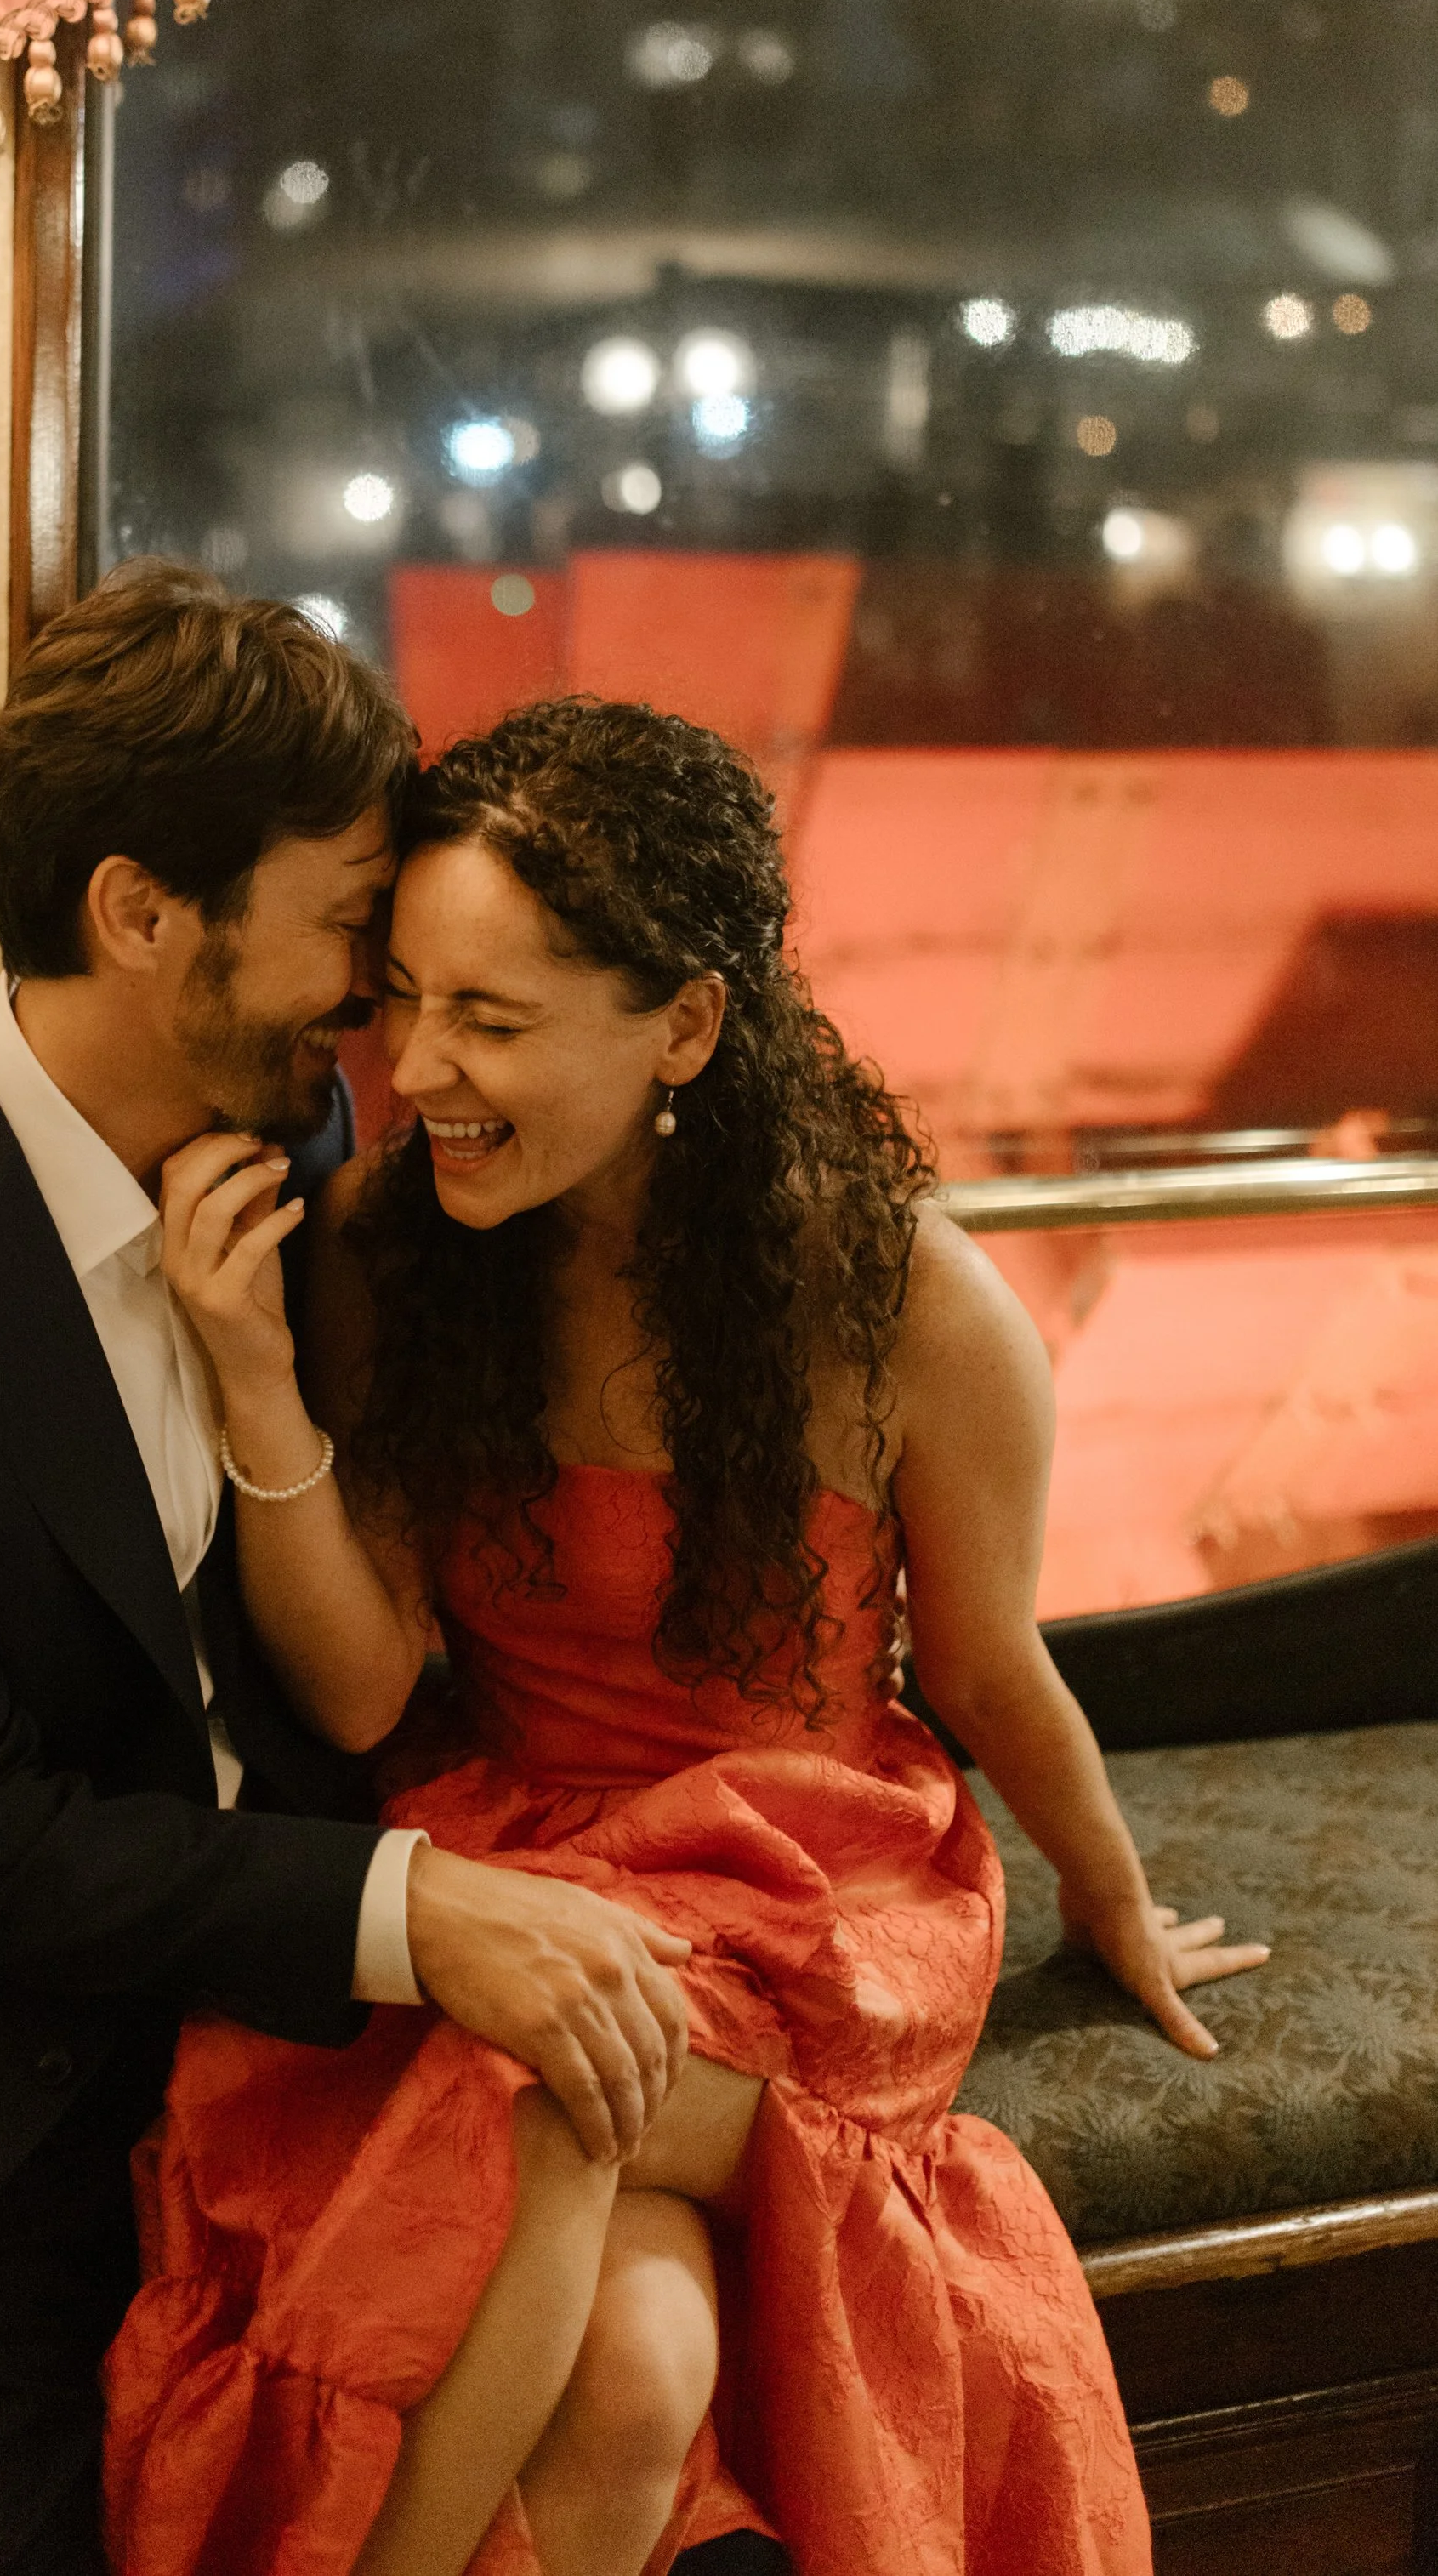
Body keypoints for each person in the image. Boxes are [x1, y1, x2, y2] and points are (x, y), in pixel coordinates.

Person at [0, 571, 695, 2576]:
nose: (380, 1004)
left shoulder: (340, 1173)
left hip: (274, 2050)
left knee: (645, 2384)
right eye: (348, 925)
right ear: (142, 915)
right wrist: (408, 1910)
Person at [108, 694, 1272, 2576]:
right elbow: (362, 1683)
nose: (419, 1066)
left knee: (551, 2069)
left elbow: (987, 1668)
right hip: (520, 1845)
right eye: (404, 999)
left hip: (814, 1892)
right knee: (636, 2373)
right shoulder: (391, 1246)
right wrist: (255, 1379)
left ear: (687, 1024)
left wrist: (1114, 1902)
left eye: (491, 1019)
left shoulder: (910, 1304)